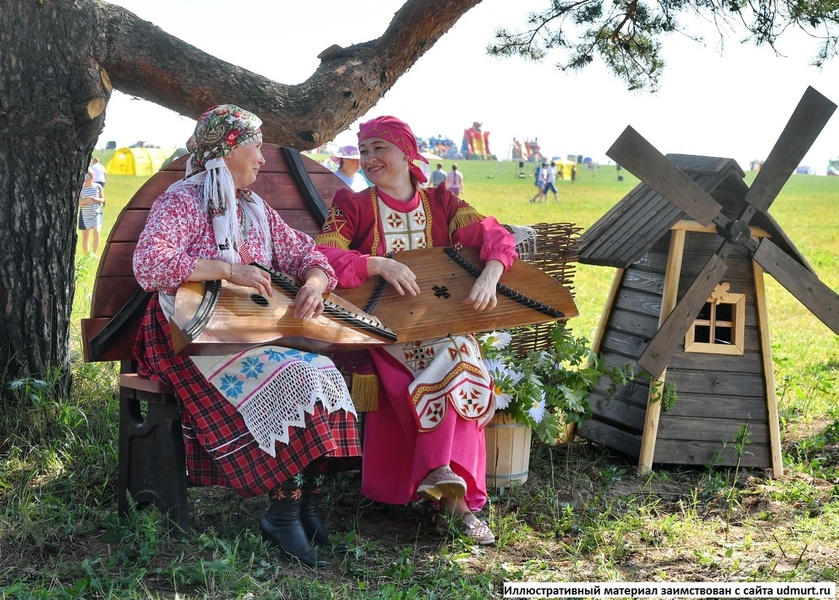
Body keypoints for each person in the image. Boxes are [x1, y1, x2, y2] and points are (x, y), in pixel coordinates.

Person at [132, 105, 361, 569]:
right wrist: (227, 269)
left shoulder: (255, 207)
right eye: (255, 146)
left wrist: (316, 281)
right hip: (188, 334)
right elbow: (148, 264)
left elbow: (306, 254)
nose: (262, 158)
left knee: (324, 374)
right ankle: (281, 514)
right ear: (229, 148)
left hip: (247, 331)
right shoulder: (184, 200)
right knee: (295, 376)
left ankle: (302, 506)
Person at [316, 115, 518, 545]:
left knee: (463, 358)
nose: (369, 158)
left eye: (379, 149)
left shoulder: (442, 202)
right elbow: (323, 255)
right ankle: (455, 503)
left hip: (441, 322)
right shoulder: (352, 206)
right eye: (364, 150)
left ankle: (443, 476)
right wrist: (377, 263)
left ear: (407, 154)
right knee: (454, 360)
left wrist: (490, 276)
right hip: (383, 329)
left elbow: (493, 234)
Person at [78, 168, 105, 255]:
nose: (86, 178)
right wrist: (86, 201)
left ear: (91, 176)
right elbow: (79, 203)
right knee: (85, 236)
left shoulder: (98, 186)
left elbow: (103, 199)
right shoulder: (81, 188)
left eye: (87, 176)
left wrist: (96, 199)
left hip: (96, 213)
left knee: (96, 231)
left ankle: (94, 253)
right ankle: (86, 255)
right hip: (85, 215)